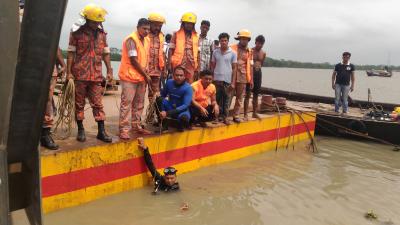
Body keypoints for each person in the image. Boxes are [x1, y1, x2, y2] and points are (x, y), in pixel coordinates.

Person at [67, 4, 113, 143]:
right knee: (79, 104)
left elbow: (105, 53)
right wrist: (68, 72)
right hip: (80, 75)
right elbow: (70, 53)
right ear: (86, 19)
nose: (97, 24)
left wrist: (110, 69)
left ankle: (101, 131)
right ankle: (81, 130)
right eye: (94, 21)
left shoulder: (102, 34)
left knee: (98, 104)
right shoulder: (76, 33)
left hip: (96, 76)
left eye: (99, 22)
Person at [118, 18, 152, 139]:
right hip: (129, 76)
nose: (147, 31)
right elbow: (133, 60)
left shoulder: (147, 40)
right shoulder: (131, 39)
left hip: (141, 77)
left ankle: (136, 126)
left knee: (139, 103)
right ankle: (124, 129)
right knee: (126, 103)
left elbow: (145, 58)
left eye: (148, 29)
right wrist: (146, 75)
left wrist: (146, 71)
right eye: (144, 28)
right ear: (138, 27)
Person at [41, 47, 66, 150]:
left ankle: (45, 134)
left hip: (48, 71)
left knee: (47, 102)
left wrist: (63, 65)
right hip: (28, 70)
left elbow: (54, 46)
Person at [211, 32, 237, 125]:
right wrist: (212, 79)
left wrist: (233, 82)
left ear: (228, 41)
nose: (223, 42)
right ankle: (216, 118)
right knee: (216, 100)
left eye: (225, 40)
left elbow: (234, 69)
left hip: (227, 80)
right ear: (220, 41)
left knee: (226, 100)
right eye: (222, 41)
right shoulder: (215, 52)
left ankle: (225, 118)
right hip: (217, 80)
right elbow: (212, 66)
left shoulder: (233, 53)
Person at [156, 66, 193, 131]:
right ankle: (162, 124)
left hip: (182, 111)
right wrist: (158, 95)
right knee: (159, 100)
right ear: (173, 75)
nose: (179, 77)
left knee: (184, 119)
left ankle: (178, 125)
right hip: (170, 107)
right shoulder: (169, 82)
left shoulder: (188, 88)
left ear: (184, 76)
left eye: (181, 75)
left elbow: (185, 105)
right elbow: (163, 95)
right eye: (177, 75)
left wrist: (167, 113)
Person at [168, 12, 199, 84]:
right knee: (176, 82)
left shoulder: (196, 36)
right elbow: (170, 50)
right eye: (187, 23)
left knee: (190, 83)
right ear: (183, 23)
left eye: (191, 24)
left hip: (191, 64)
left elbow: (198, 52)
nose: (189, 25)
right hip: (178, 63)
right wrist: (169, 64)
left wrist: (198, 67)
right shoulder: (176, 34)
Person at [230, 29, 253, 123]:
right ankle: (223, 115)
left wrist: (251, 80)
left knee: (240, 97)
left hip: (243, 76)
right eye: (242, 38)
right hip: (231, 75)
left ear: (248, 40)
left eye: (246, 39)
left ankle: (236, 115)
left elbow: (250, 65)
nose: (244, 40)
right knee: (229, 96)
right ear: (239, 39)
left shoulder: (249, 51)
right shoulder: (231, 47)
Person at [147, 13, 166, 102]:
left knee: (155, 94)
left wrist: (164, 69)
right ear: (149, 23)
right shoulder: (144, 34)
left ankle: (151, 114)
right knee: (140, 93)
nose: (157, 27)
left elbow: (162, 53)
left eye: (159, 25)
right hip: (144, 69)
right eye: (155, 25)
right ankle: (136, 115)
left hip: (156, 70)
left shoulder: (161, 36)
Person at [249, 35, 267, 119]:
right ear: (255, 42)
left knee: (256, 93)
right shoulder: (250, 51)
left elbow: (261, 64)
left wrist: (257, 69)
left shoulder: (263, 53)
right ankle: (245, 113)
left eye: (261, 44)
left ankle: (254, 112)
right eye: (258, 43)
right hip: (250, 72)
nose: (259, 45)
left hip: (258, 73)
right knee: (248, 93)